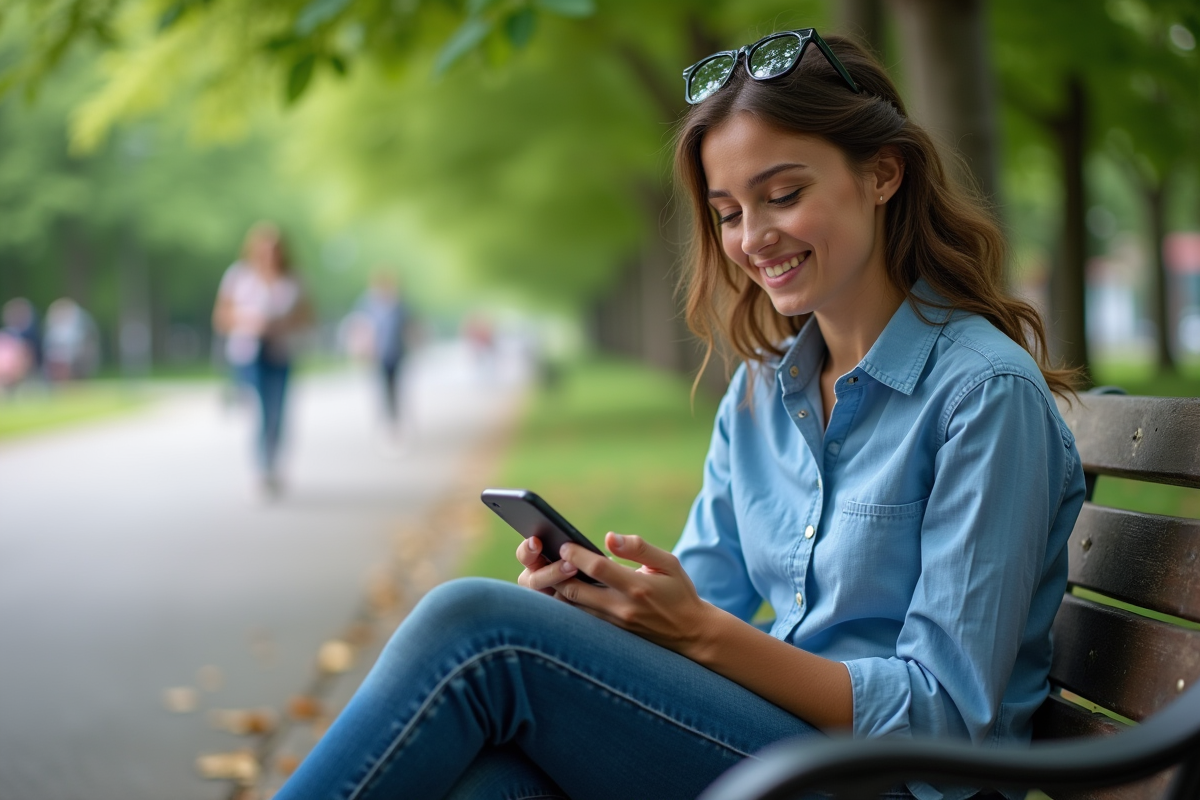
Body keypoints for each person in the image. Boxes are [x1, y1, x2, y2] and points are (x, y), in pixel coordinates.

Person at [274, 30, 1085, 800]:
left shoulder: (982, 394)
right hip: (780, 751)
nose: (753, 237)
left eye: (784, 195)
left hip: (890, 780)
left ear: (883, 174)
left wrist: (697, 632)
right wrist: (605, 608)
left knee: (475, 627)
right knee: (492, 783)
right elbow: (705, 600)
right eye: (728, 213)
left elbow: (947, 718)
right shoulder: (763, 390)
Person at [212, 223, 312, 495]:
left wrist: (282, 323)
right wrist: (249, 321)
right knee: (257, 411)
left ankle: (272, 464)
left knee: (276, 411)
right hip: (247, 354)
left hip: (279, 353)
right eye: (264, 249)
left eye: (274, 250)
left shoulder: (293, 280)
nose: (269, 255)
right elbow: (221, 316)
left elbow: (308, 316)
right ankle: (260, 470)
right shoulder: (238, 276)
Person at [354, 271, 412, 433]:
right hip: (377, 354)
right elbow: (360, 326)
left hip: (396, 353)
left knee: (394, 386)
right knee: (381, 386)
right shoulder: (367, 303)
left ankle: (394, 417)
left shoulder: (399, 304)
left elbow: (409, 324)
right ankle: (386, 418)